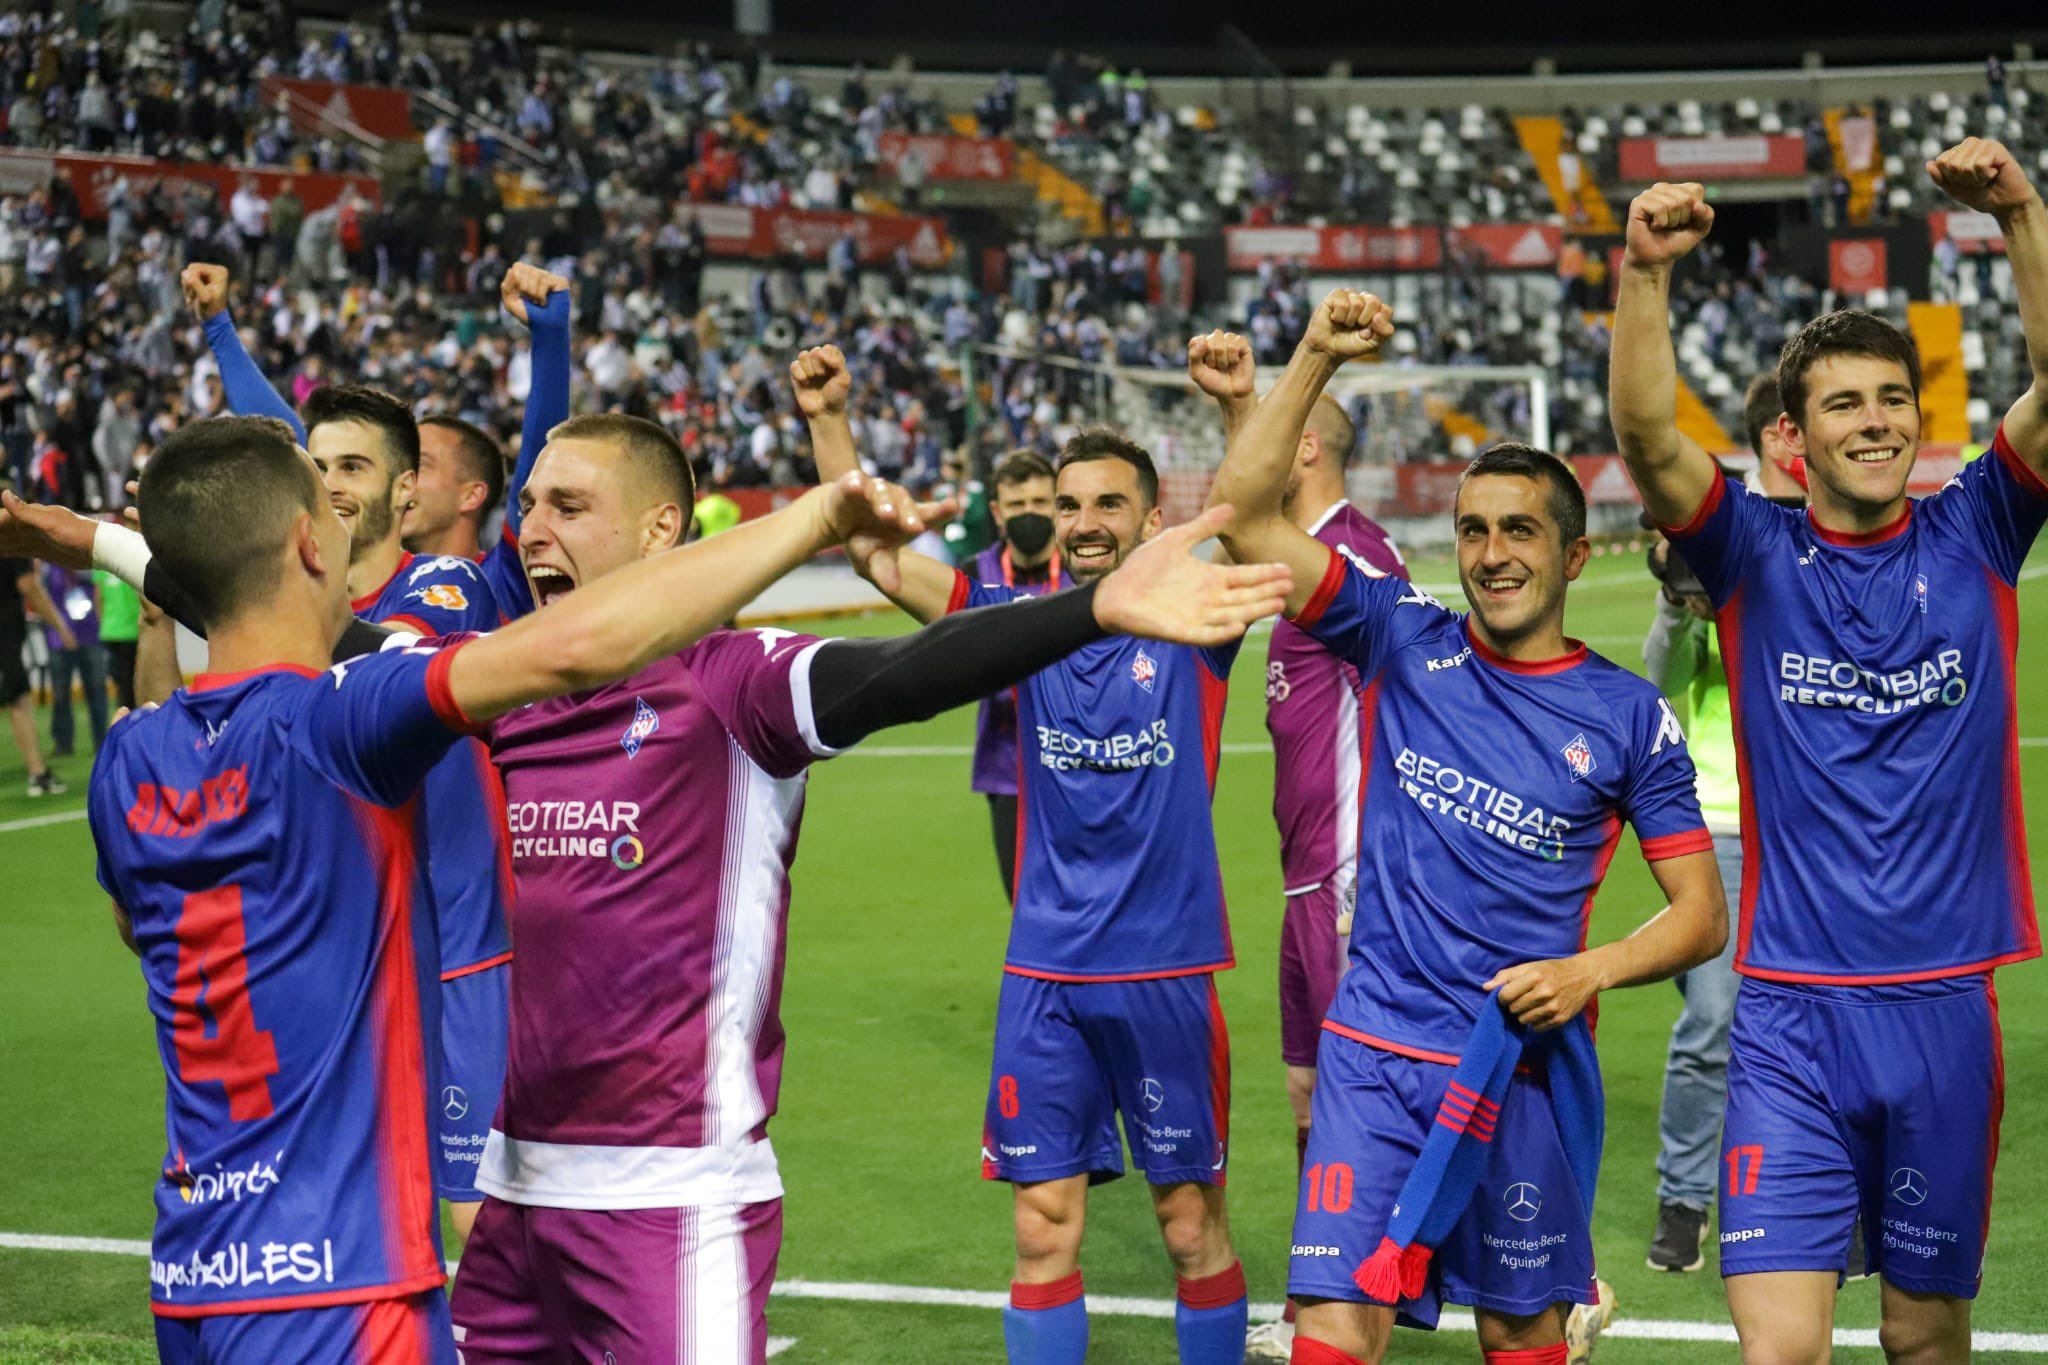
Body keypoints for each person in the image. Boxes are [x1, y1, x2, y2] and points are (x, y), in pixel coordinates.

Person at [71, 413, 952, 1365]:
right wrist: (819, 515)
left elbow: (137, 920)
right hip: (344, 1291)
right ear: (304, 545)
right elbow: (571, 650)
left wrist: (91, 541)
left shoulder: (127, 755)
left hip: (194, 1275)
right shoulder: (342, 719)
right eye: (327, 500)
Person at [1207, 288, 1728, 1365]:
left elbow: (1699, 917)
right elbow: (1246, 516)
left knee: (1520, 1332)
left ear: (1573, 557)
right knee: (1330, 1330)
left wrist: (1591, 972)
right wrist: (1311, 358)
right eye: (1472, 530)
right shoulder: (1401, 634)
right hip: (1374, 1054)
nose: (1492, 554)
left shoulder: (1625, 716)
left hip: (1519, 1068)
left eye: (1520, 531)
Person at [1607, 137, 2048, 1364]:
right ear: (1794, 438)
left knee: (1921, 1339)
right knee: (1778, 1350)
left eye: (1891, 399)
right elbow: (1645, 436)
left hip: (1942, 1006)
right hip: (1788, 1013)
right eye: (1842, 404)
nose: (1873, 421)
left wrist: (2018, 212)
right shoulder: (1752, 552)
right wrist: (1642, 273)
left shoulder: (1978, 530)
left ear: (1922, 415)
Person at [799, 344, 1256, 1365]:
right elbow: (875, 558)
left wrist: (1238, 407)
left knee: (1189, 1228)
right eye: (1070, 502)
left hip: (1166, 970)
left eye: (1108, 504)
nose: (1086, 521)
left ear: (1147, 519)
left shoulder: (1195, 621)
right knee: (1040, 1229)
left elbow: (1251, 512)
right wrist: (829, 422)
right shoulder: (1010, 627)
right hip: (1042, 971)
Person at [183, 261, 515, 1247]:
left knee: (481, 1228)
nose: (329, 485)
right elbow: (283, 454)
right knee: (375, 1222)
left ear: (406, 495)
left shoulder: (444, 585)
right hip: (353, 966)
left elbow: (397, 670)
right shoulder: (306, 611)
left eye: (354, 470)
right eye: (317, 470)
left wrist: (142, 553)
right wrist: (220, 331)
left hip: (463, 955)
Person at [1181, 331, 1409, 1365]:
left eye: (1274, 434)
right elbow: (1245, 521)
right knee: (1313, 1093)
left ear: (1305, 448)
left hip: (1350, 878)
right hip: (1308, 876)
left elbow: (1247, 520)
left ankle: (1537, 1275)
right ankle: (1358, 1279)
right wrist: (1238, 404)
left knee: (1365, 1096)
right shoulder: (1305, 545)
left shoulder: (1352, 555)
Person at [1640, 373, 1805, 1276]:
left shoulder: (1833, 530)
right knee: (1712, 1018)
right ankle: (1684, 1196)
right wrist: (1676, 601)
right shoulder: (1711, 531)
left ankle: (1844, 1191)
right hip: (1721, 818)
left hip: (1815, 820)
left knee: (1830, 1011)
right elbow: (1659, 681)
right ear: (1778, 433)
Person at [967, 448, 1061, 901]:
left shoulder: (1087, 569)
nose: (1030, 515)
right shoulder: (971, 576)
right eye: (1018, 505)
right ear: (997, 512)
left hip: (1085, 765)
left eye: (1041, 503)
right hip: (1008, 771)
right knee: (1026, 909)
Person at [4, 523, 73, 795]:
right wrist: (60, 625)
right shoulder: (12, 542)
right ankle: (37, 773)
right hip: (5, 634)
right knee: (20, 700)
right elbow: (28, 585)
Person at [41, 559, 107, 755]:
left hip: (90, 635)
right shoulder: (47, 566)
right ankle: (63, 742)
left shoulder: (89, 562)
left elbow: (99, 588)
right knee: (61, 694)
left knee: (96, 690)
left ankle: (102, 741)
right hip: (58, 638)